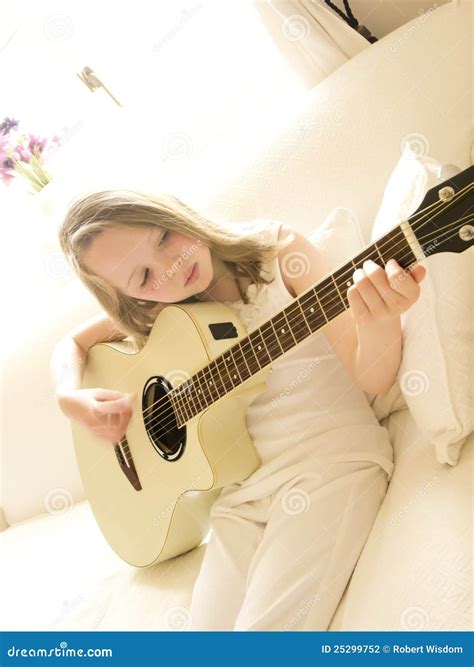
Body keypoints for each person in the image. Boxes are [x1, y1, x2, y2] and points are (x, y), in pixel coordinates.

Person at [51, 188, 426, 631]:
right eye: (144, 278)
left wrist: (379, 318)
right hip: (239, 499)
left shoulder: (280, 257)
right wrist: (69, 396)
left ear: (176, 211)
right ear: (134, 299)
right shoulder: (163, 313)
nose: (170, 268)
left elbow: (374, 377)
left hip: (331, 467)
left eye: (165, 236)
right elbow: (71, 344)